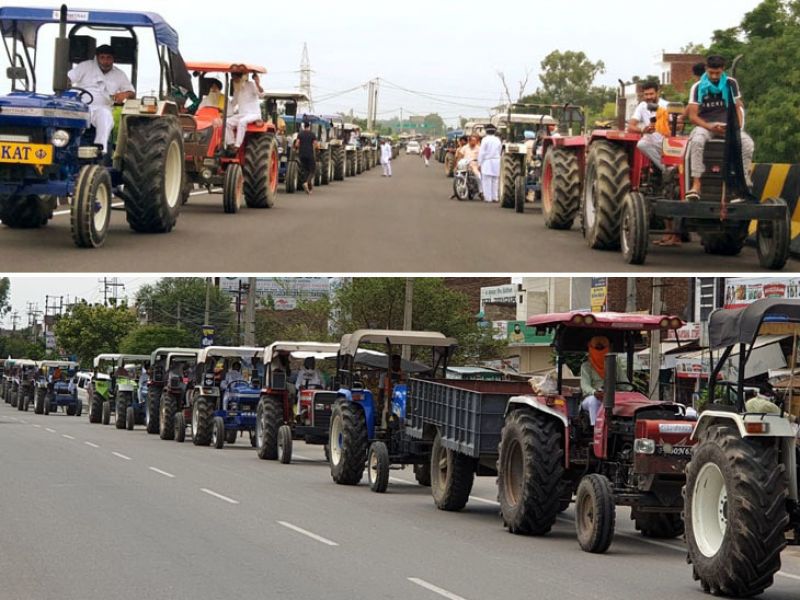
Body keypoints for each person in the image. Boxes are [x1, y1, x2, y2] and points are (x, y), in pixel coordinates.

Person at [686, 55, 754, 202]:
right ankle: (696, 184)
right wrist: (709, 126)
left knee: (747, 144)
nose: (714, 76)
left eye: (718, 73)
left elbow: (738, 108)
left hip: (728, 126)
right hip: (705, 126)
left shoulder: (731, 83)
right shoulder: (697, 87)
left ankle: (741, 185)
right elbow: (692, 116)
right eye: (711, 73)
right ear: (706, 70)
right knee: (696, 141)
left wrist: (736, 127)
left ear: (723, 70)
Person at [67, 44, 135, 154]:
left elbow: (131, 92)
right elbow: (67, 79)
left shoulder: (119, 74)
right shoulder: (85, 67)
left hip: (102, 108)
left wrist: (125, 94)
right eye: (102, 58)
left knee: (105, 115)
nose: (105, 61)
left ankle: (100, 149)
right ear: (97, 58)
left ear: (113, 59)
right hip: (81, 107)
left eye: (108, 58)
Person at [580, 336, 631, 425]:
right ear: (591, 348)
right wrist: (595, 392)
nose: (600, 350)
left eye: (602, 348)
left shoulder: (615, 366)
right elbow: (585, 385)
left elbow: (625, 383)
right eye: (597, 348)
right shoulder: (586, 366)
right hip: (593, 398)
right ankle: (595, 428)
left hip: (613, 397)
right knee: (593, 401)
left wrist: (630, 391)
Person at [628, 81, 670, 172]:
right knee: (641, 144)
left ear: (658, 92)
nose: (649, 97)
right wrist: (643, 130)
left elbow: (678, 125)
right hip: (652, 142)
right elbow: (630, 127)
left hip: (667, 142)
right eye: (646, 94)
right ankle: (666, 170)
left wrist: (663, 125)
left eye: (651, 94)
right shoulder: (642, 106)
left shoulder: (666, 105)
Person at [225, 69, 265, 152]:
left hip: (254, 114)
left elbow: (262, 94)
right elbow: (233, 103)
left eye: (236, 78)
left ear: (242, 77)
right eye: (233, 78)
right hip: (242, 114)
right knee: (226, 122)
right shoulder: (237, 89)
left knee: (242, 122)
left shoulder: (251, 85)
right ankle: (231, 144)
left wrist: (257, 83)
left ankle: (237, 145)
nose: (234, 80)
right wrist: (223, 110)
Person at [478, 123, 502, 202]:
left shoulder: (485, 140)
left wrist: (479, 163)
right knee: (495, 180)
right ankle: (495, 197)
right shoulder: (498, 140)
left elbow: (482, 152)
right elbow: (500, 150)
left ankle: (488, 198)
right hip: (496, 161)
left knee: (486, 180)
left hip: (487, 161)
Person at [294, 120, 319, 195]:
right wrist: (316, 149)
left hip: (301, 155)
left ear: (304, 126)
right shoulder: (312, 134)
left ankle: (309, 189)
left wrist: (296, 149)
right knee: (312, 170)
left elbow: (297, 144)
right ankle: (306, 183)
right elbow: (315, 144)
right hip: (309, 154)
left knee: (305, 170)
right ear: (309, 126)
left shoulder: (300, 134)